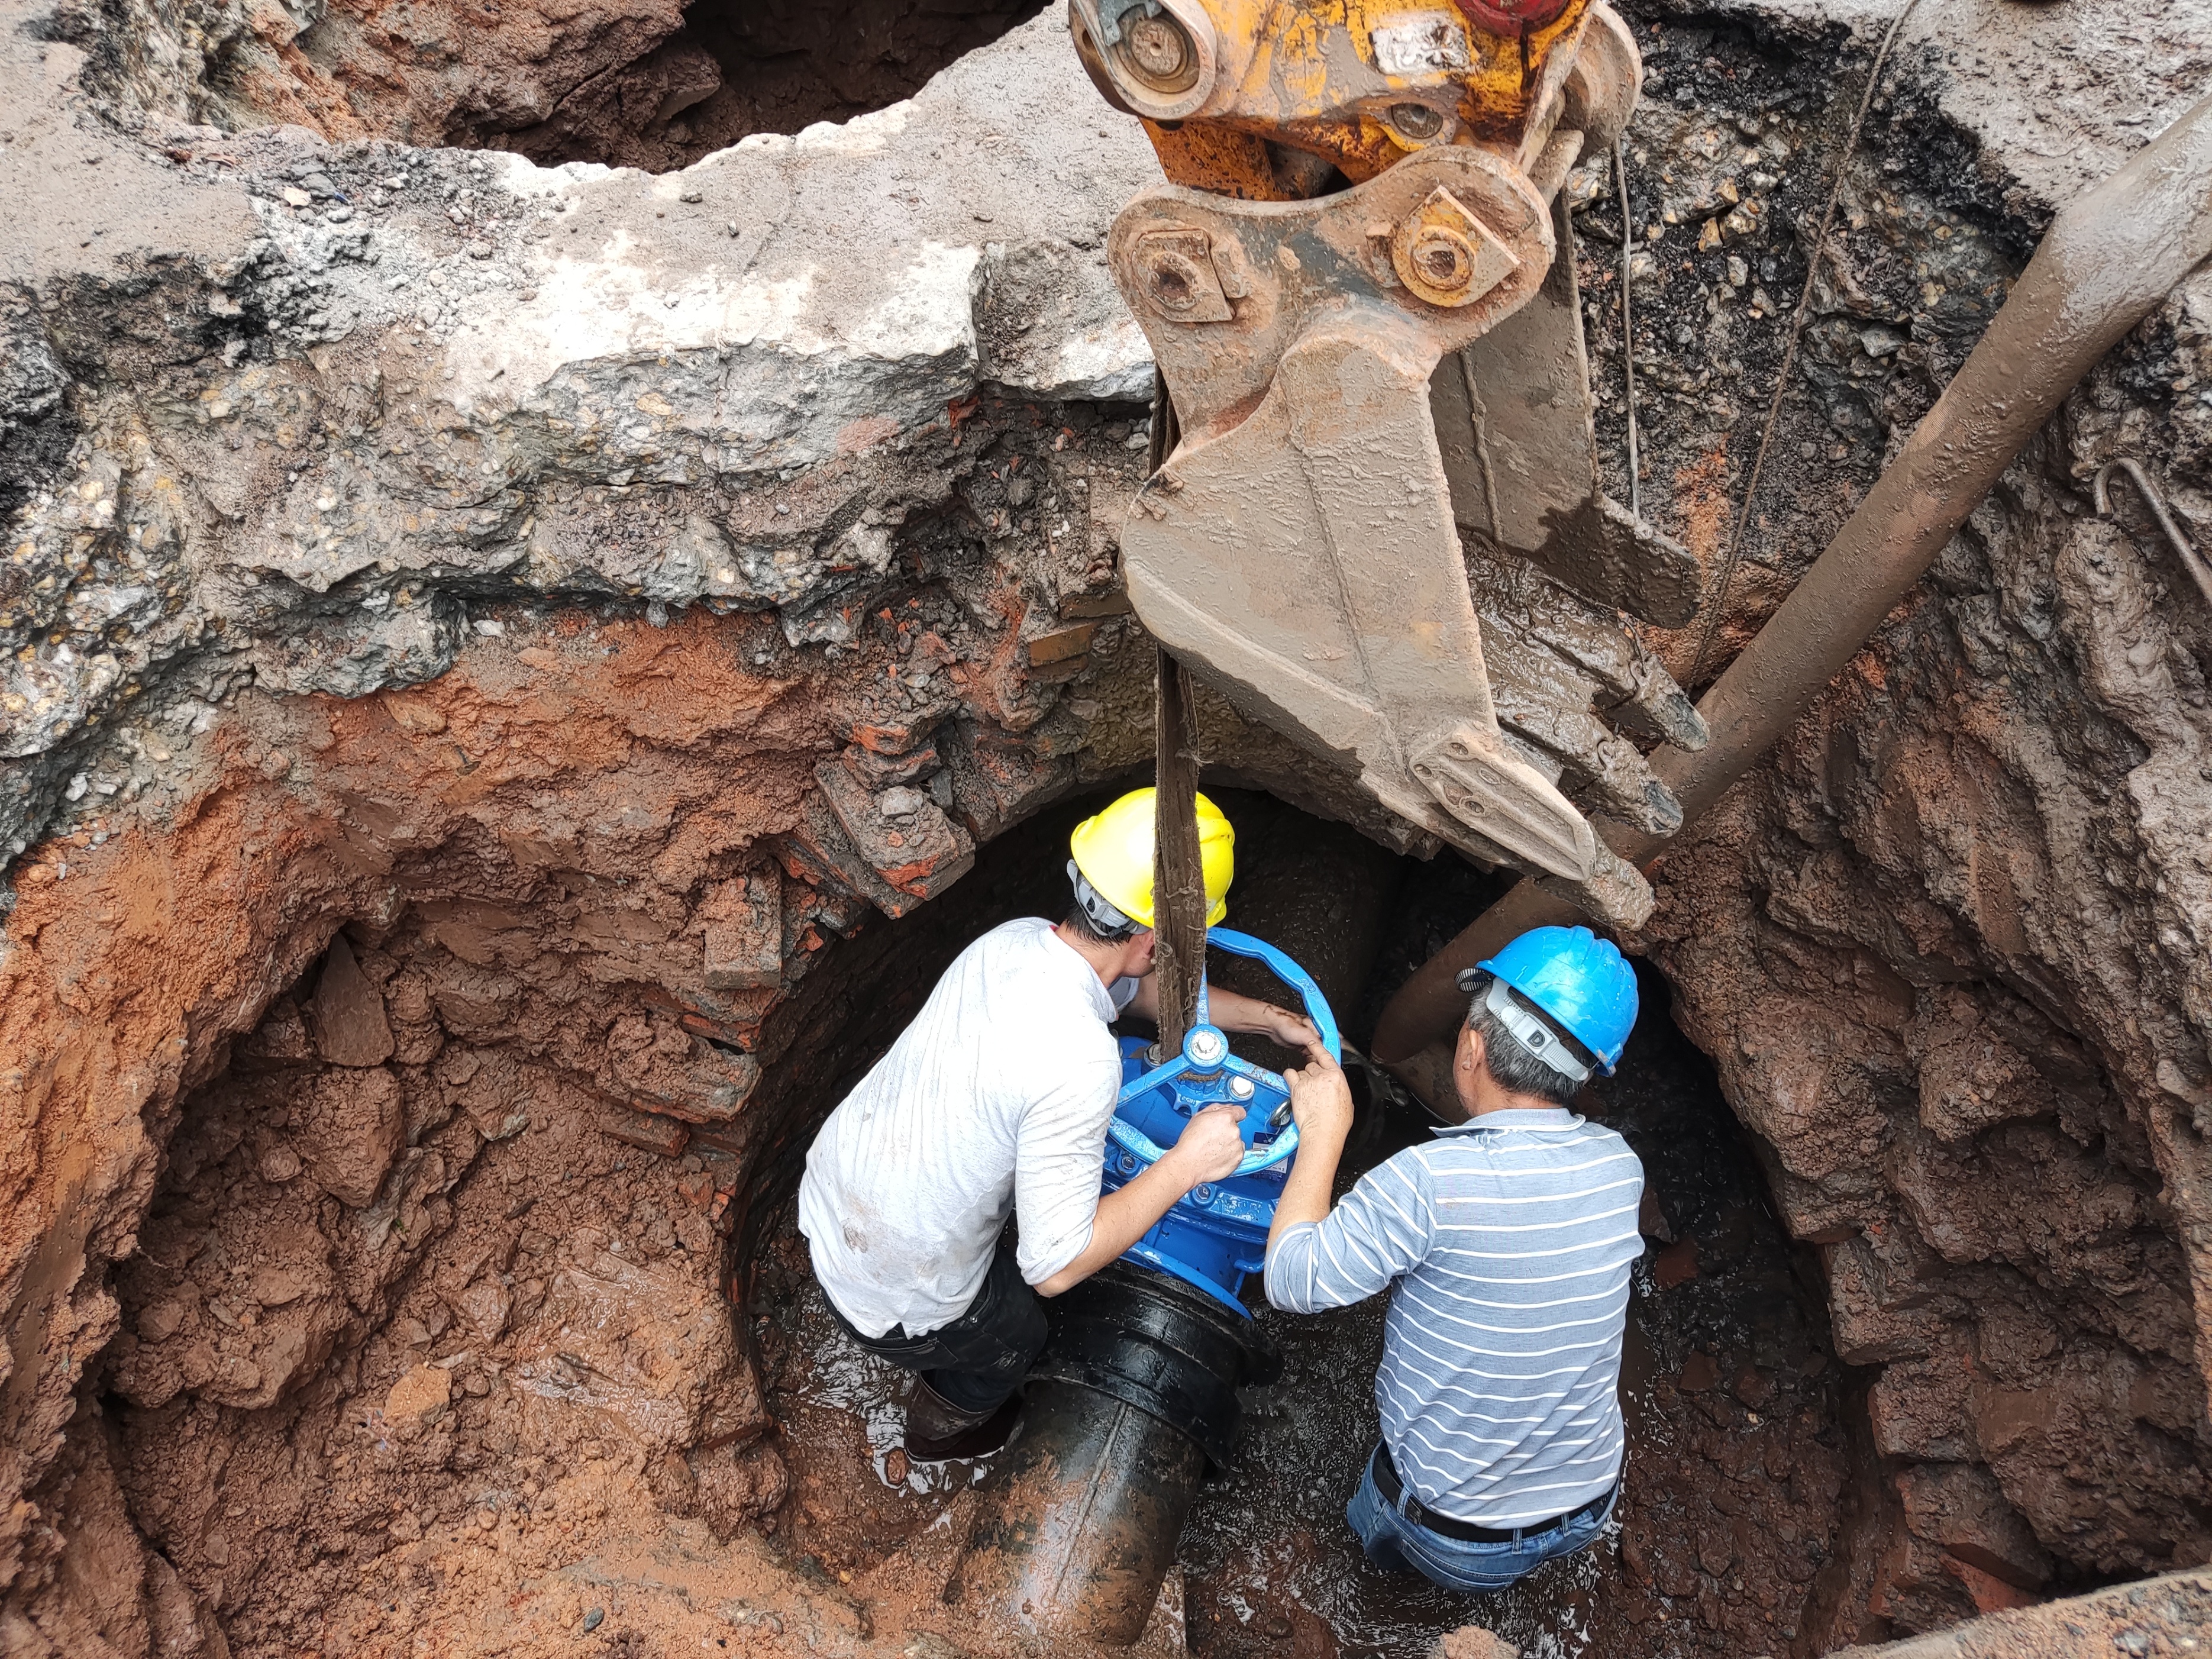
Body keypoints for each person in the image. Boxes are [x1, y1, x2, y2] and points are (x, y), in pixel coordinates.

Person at [798, 788, 1320, 1461]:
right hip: (895, 1289)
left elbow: (1135, 989)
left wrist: (1264, 1018)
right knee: (1017, 1334)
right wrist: (1187, 1161)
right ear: (1155, 940)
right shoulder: (1081, 1059)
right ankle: (939, 1430)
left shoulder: (1011, 942)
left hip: (832, 1198)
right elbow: (1055, 1265)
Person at [1264, 925, 1644, 1593]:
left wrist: (1325, 1133)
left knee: (1378, 1536)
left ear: (1470, 1044)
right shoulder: (1619, 1166)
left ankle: (1378, 1563)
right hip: (1590, 1500)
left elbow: (1291, 1279)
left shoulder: (1426, 1181)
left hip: (1458, 1531)